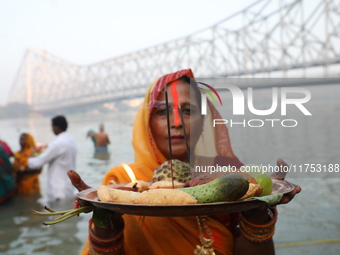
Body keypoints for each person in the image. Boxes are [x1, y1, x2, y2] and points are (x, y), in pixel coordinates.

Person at [69, 69, 301, 255]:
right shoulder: (122, 182)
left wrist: (258, 211)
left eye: (188, 110)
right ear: (147, 124)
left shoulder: (229, 175)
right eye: (163, 112)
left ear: (203, 123)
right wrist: (105, 226)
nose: (176, 122)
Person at [28, 116, 77, 202]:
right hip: (69, 187)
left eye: (52, 126)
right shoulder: (71, 140)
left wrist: (30, 157)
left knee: (58, 214)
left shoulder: (58, 143)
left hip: (59, 189)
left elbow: (38, 162)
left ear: (56, 127)